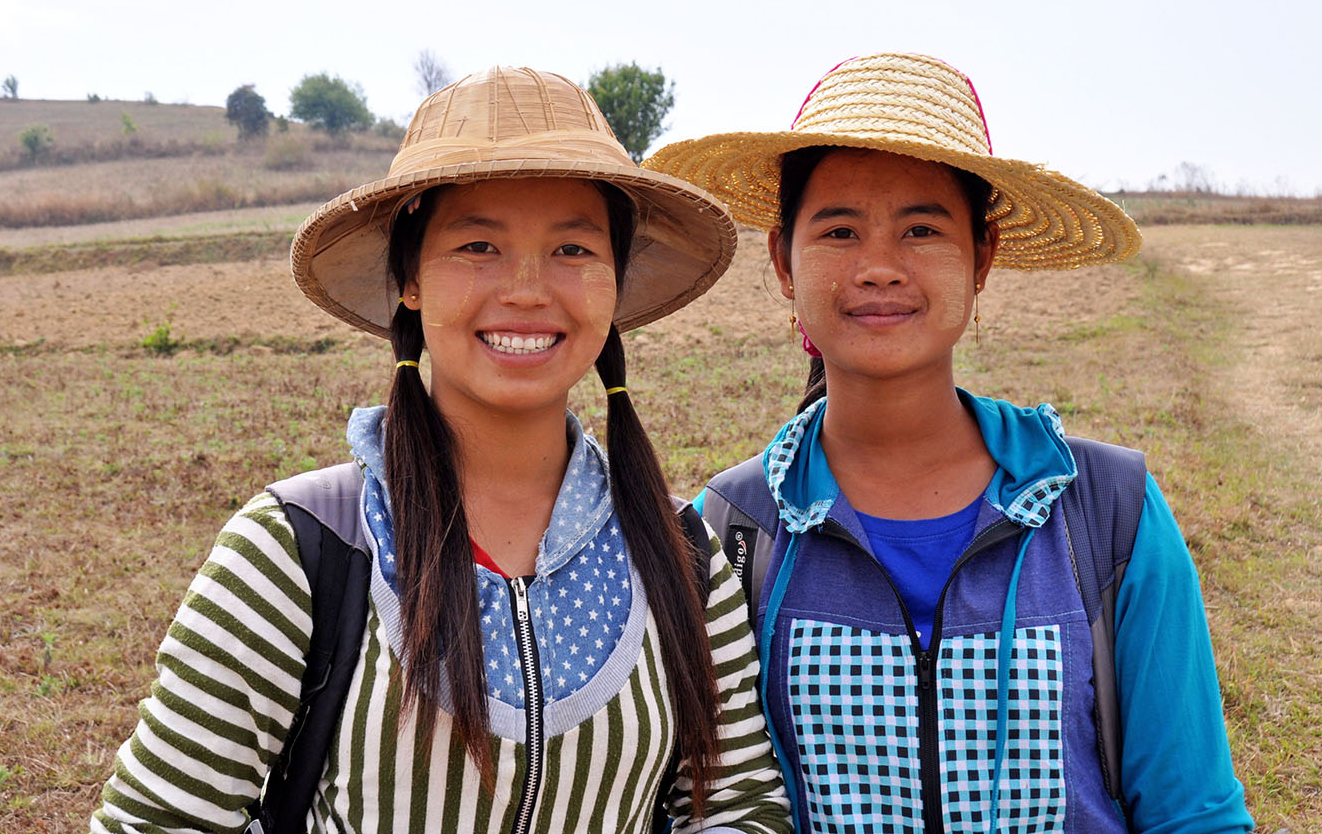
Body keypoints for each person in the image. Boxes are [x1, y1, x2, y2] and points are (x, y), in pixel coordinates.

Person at [90, 67, 792, 834]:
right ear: (410, 279)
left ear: (615, 284)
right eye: (478, 245)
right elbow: (157, 821)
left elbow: (737, 807)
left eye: (572, 248)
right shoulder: (299, 549)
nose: (527, 290)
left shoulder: (682, 555)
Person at [645, 53, 1252, 834]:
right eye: (838, 229)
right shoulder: (732, 533)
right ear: (782, 262)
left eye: (922, 229)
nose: (879, 267)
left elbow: (1193, 814)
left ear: (982, 258)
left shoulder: (1110, 513)